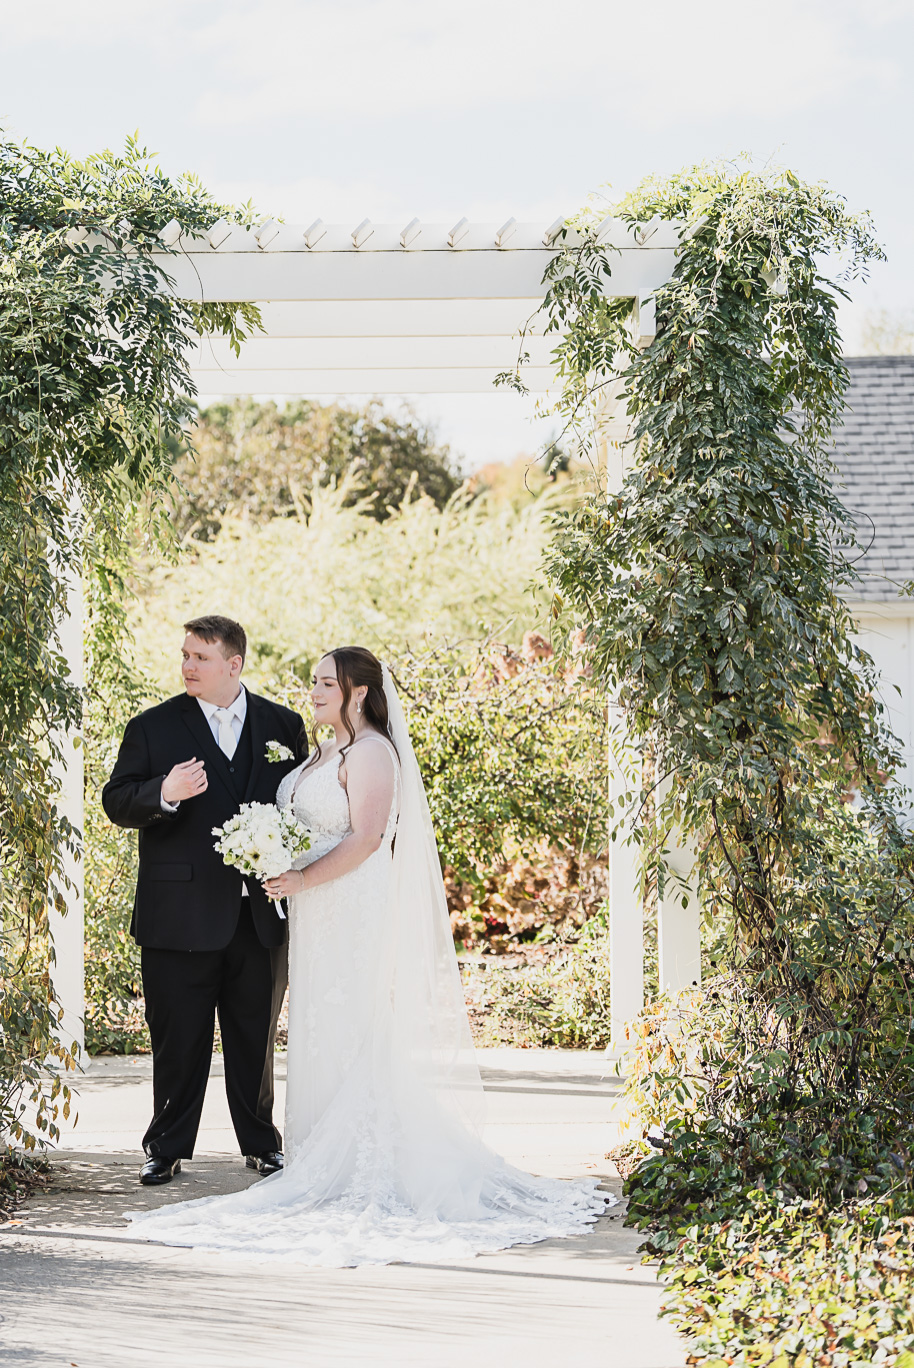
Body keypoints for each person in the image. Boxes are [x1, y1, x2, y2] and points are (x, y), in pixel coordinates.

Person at [127, 646, 613, 1263]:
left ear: (359, 692)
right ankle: (327, 1153)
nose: (314, 691)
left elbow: (367, 837)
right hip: (316, 914)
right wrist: (274, 854)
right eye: (313, 681)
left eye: (327, 682)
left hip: (351, 907)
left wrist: (300, 878)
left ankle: (367, 1159)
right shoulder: (323, 750)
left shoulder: (375, 751)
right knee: (321, 1028)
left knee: (355, 1026)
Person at [102, 615, 305, 1186]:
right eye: (185, 655)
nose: (187, 665)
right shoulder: (152, 727)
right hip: (179, 917)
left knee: (254, 1037)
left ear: (233, 664)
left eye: (200, 657)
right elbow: (116, 800)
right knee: (177, 1038)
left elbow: (298, 807)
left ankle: (261, 1145)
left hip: (258, 914)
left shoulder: (282, 726)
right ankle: (165, 1147)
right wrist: (162, 794)